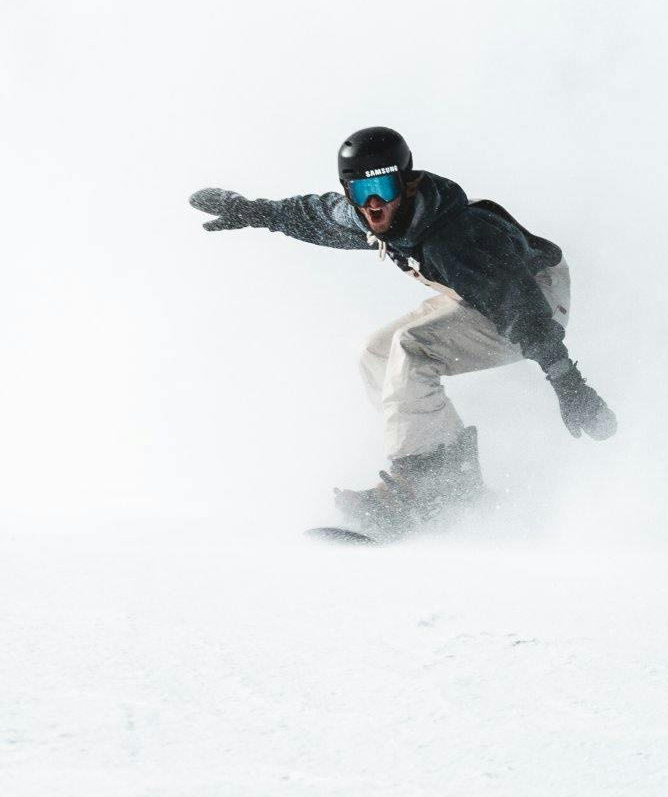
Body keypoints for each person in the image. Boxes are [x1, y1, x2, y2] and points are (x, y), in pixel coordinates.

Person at [190, 125, 616, 537]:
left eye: (384, 190)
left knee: (410, 348)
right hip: (479, 294)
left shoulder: (455, 238)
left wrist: (568, 382)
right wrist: (257, 211)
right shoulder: (373, 215)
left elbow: (520, 308)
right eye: (360, 191)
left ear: (407, 185)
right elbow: (317, 214)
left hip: (534, 301)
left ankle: (421, 490)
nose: (373, 204)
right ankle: (451, 481)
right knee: (375, 352)